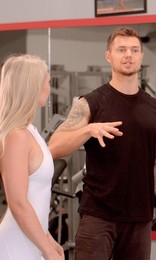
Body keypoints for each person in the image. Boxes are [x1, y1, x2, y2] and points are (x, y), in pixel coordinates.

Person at [48, 26, 156, 260]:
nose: (128, 55)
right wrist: (88, 129)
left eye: (134, 50)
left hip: (139, 215)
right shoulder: (90, 103)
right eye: (121, 50)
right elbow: (55, 146)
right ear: (109, 56)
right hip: (98, 214)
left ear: (141, 56)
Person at [0, 54, 64, 260]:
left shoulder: (30, 131)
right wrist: (45, 248)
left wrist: (48, 241)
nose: (48, 85)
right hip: (16, 245)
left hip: (33, 239)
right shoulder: (16, 136)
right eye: (46, 80)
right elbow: (18, 202)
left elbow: (35, 200)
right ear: (32, 86)